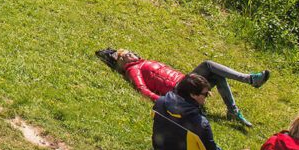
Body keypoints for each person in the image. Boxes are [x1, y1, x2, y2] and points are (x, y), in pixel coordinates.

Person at [96, 48, 270, 127]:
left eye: (131, 52)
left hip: (183, 82)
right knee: (208, 64)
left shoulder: (143, 62)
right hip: (177, 90)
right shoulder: (133, 69)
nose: (132, 54)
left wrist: (198, 83)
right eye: (127, 55)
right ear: (122, 61)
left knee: (217, 75)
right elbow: (142, 89)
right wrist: (164, 100)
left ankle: (233, 111)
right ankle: (249, 79)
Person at [152, 73, 254, 150]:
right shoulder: (200, 124)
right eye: (205, 94)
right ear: (193, 94)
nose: (206, 97)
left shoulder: (160, 102)